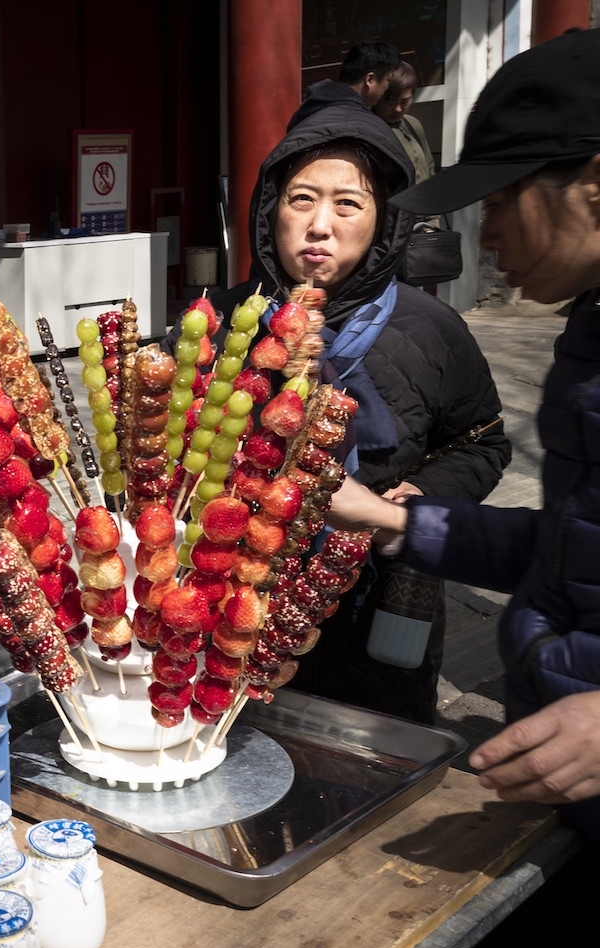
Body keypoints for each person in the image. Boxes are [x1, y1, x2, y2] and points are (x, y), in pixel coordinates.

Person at [326, 28, 600, 838]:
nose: (489, 238)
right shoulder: (586, 339)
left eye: (504, 200)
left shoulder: (435, 332)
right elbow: (569, 553)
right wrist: (394, 521)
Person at [209, 86, 509, 723]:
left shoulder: (433, 330)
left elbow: (482, 441)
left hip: (378, 597)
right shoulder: (223, 322)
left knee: (372, 760)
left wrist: (414, 501)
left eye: (348, 204)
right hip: (234, 599)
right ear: (271, 211)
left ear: (384, 220)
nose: (321, 225)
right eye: (301, 200)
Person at [288, 41, 400, 130]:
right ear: (370, 80)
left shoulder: (308, 107)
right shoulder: (356, 122)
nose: (387, 87)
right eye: (388, 80)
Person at [374, 61, 435, 186]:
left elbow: (429, 167)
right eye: (390, 102)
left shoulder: (412, 124)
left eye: (405, 101)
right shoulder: (366, 127)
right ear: (378, 97)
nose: (398, 109)